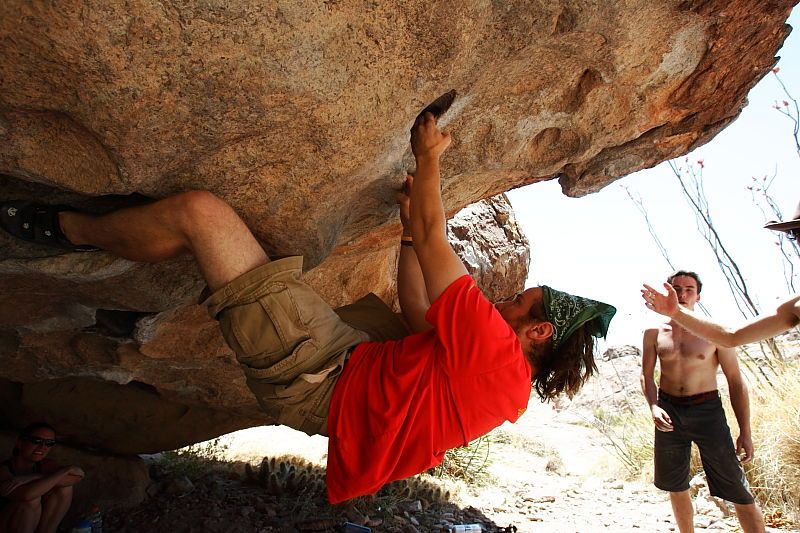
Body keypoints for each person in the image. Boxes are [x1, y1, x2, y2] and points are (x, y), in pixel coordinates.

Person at [0, 112, 615, 503]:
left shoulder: (498, 355)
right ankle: (114, 241)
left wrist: (429, 157)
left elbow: (436, 239)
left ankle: (66, 228)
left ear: (536, 330)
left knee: (201, 214)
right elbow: (418, 308)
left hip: (315, 372)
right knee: (210, 236)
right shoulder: (500, 384)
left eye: (518, 301)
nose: (502, 299)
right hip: (339, 370)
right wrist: (404, 230)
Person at [641, 271, 765, 533]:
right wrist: (654, 405)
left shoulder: (715, 332)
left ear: (698, 295)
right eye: (677, 289)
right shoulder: (653, 332)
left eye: (689, 289)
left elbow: (735, 381)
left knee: (736, 487)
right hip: (669, 410)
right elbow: (646, 374)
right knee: (675, 485)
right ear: (669, 293)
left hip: (707, 411)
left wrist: (746, 431)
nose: (682, 294)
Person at [642, 202, 800, 346]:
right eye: (797, 234)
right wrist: (677, 312)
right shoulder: (794, 304)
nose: (799, 241)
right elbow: (731, 336)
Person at [0, 422, 85, 533]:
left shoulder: (46, 465)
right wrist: (64, 471)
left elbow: (76, 477)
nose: (43, 447)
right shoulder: (3, 470)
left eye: (49, 443)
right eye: (36, 441)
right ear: (20, 443)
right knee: (31, 502)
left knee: (64, 488)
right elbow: (26, 495)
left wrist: (33, 477)